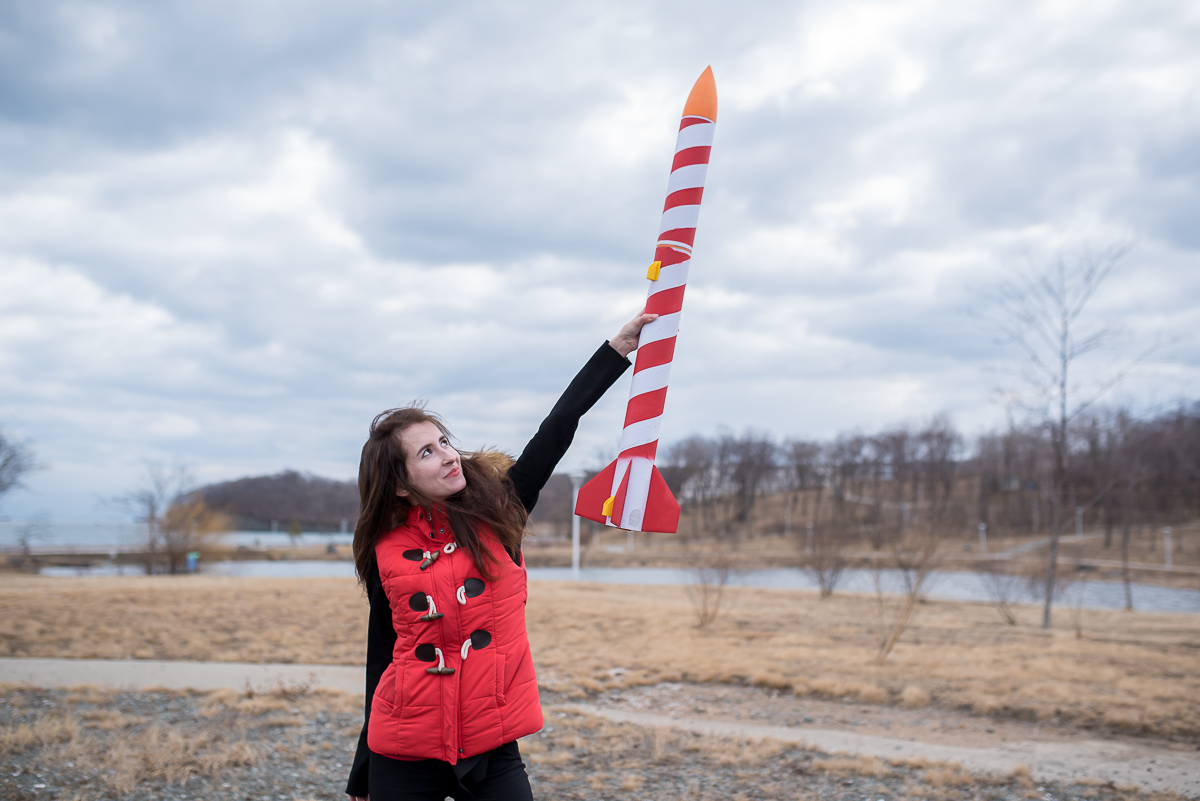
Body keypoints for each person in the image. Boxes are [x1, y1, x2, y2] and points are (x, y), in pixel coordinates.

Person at [346, 311, 657, 801]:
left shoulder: (499, 512)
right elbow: (383, 655)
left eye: (444, 441)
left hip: (491, 744)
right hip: (404, 747)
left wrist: (614, 351)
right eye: (426, 452)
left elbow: (556, 429)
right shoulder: (385, 551)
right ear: (401, 485)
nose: (449, 455)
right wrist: (362, 769)